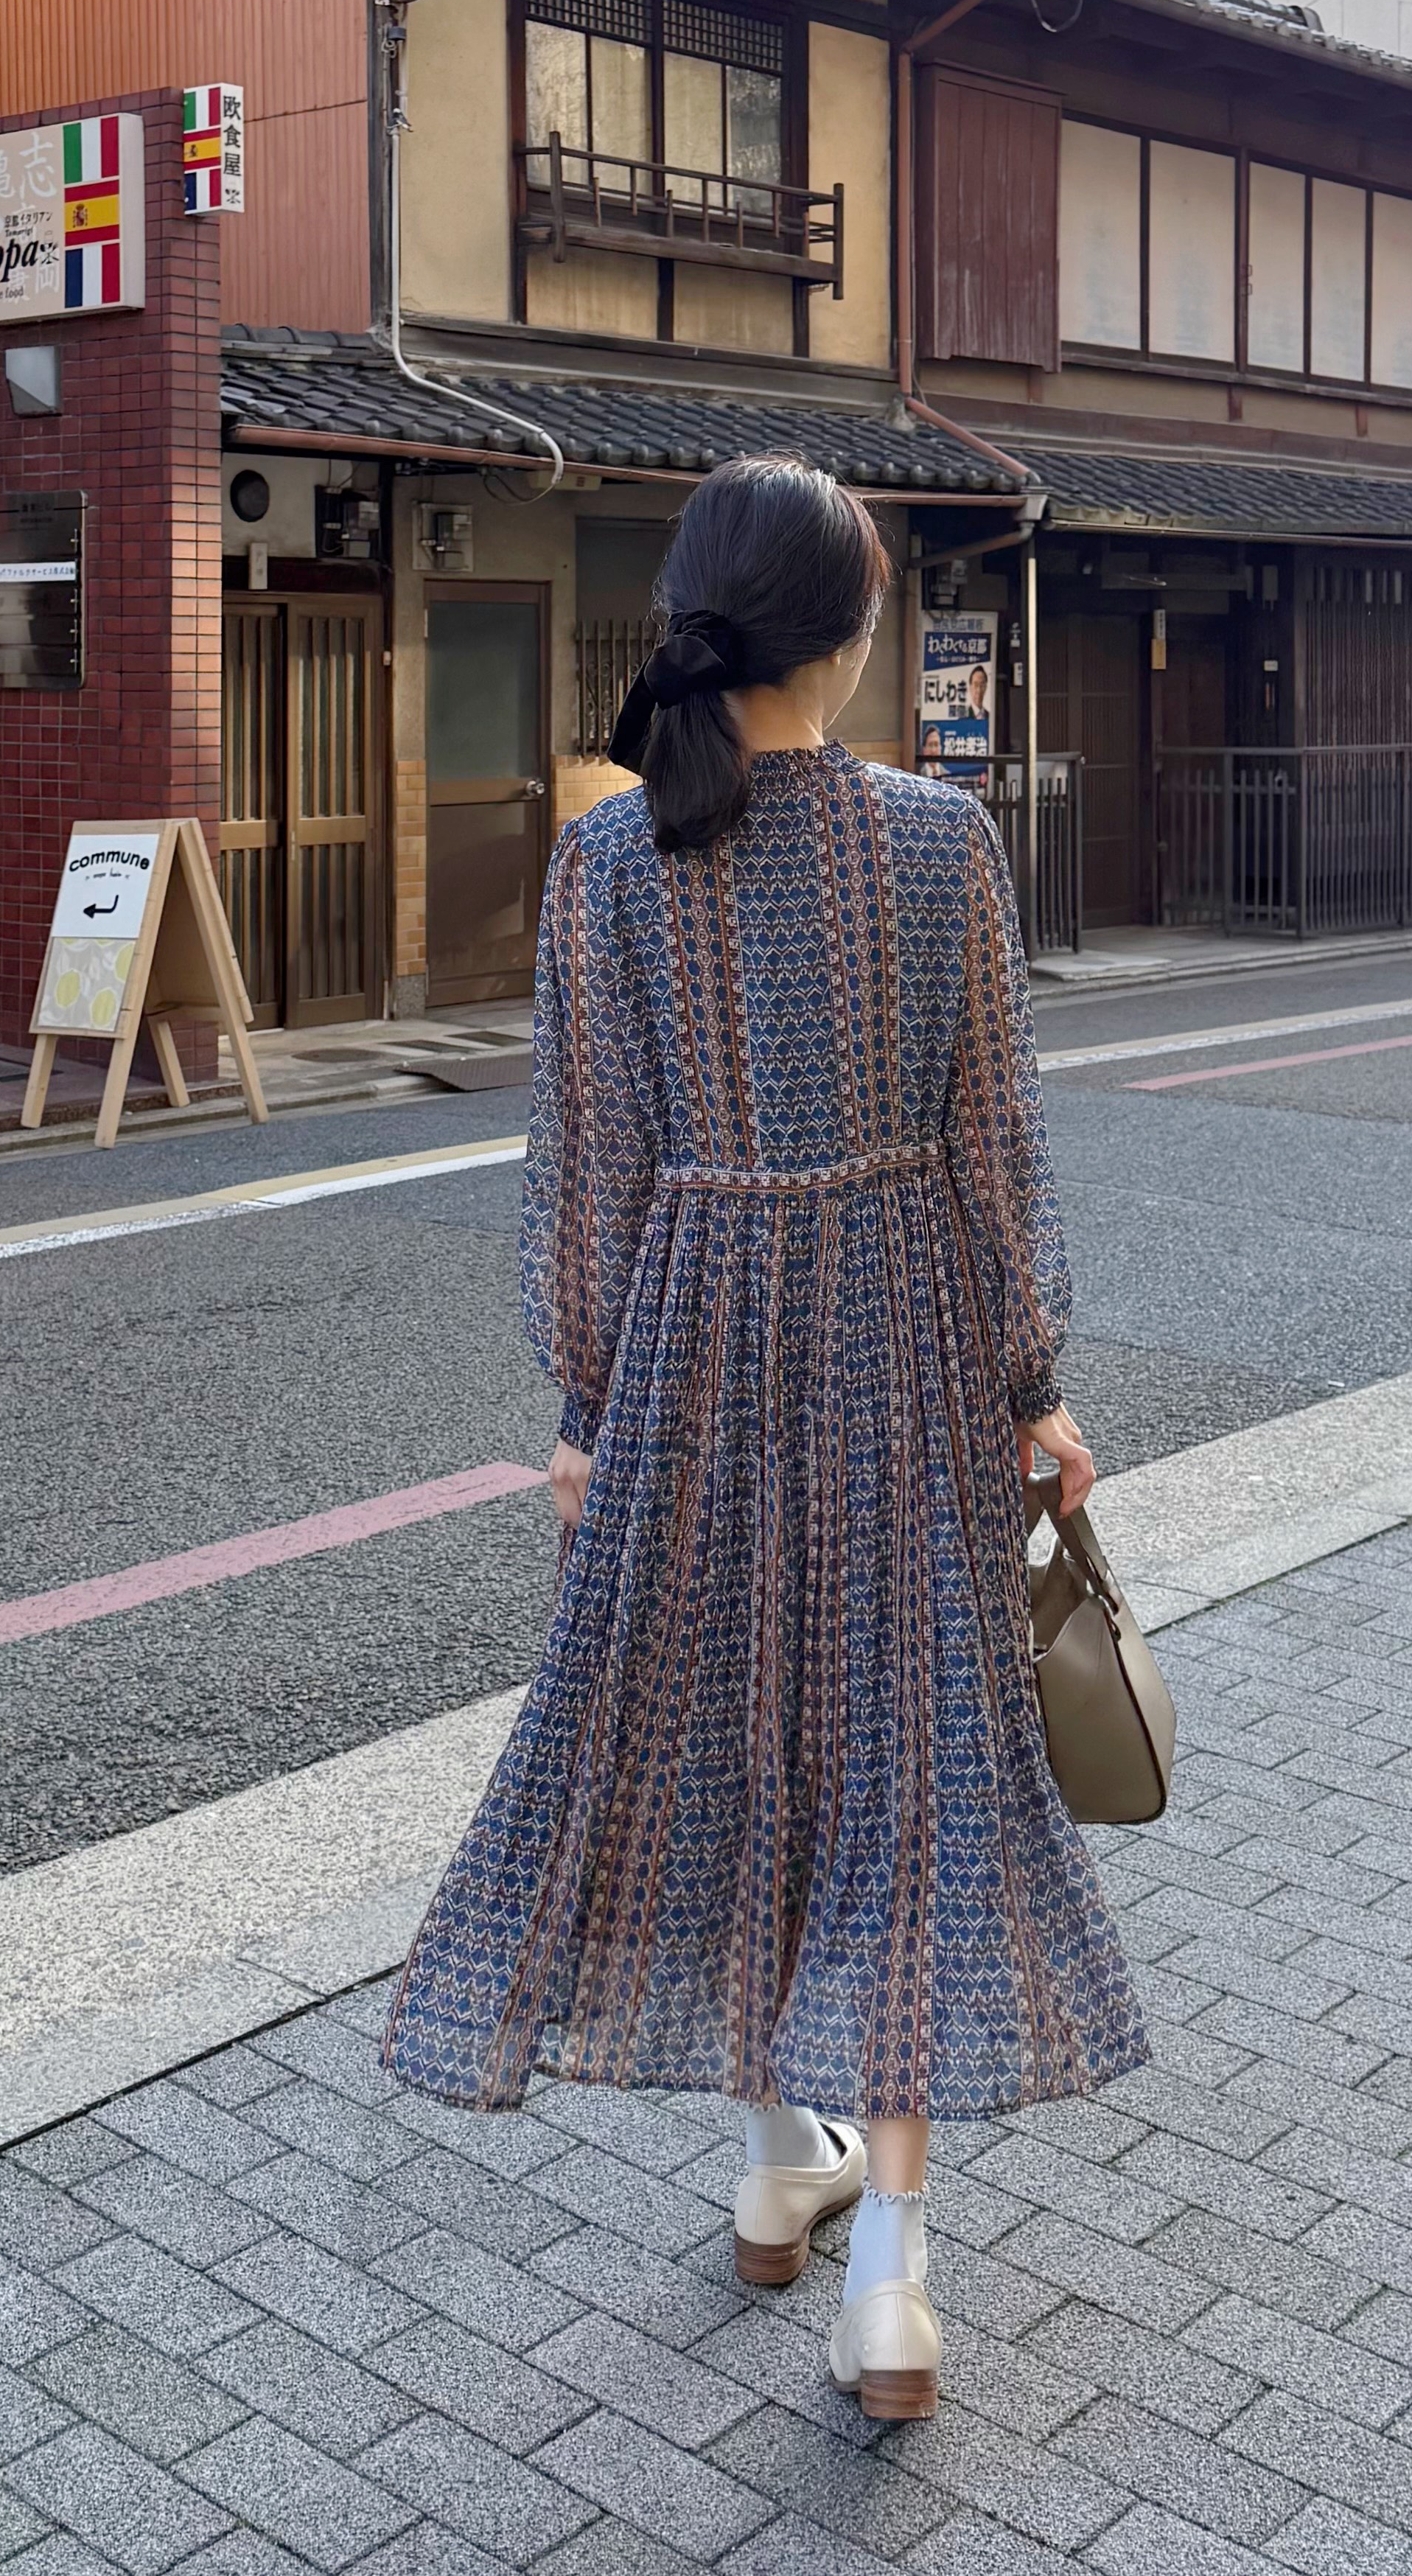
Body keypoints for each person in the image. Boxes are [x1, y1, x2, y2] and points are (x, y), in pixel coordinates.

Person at [383, 458, 1145, 2421]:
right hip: (900, 1334)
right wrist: (1030, 1386)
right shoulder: (937, 844)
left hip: (693, 1355)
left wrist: (581, 1406)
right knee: (905, 1771)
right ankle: (885, 2263)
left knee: (724, 1745)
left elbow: (589, 1169)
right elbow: (994, 1147)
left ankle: (765, 2157)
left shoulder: (612, 863)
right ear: (850, 630)